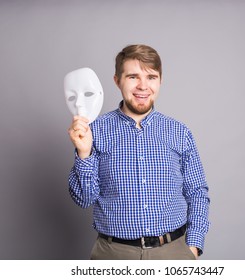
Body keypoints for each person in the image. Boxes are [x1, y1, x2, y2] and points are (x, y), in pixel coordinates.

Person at [68, 44, 210, 260]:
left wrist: (194, 246)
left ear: (160, 81)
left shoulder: (179, 132)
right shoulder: (93, 131)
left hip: (173, 252)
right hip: (113, 254)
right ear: (117, 81)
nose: (143, 86)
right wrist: (84, 153)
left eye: (151, 77)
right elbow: (84, 199)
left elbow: (197, 191)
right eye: (133, 77)